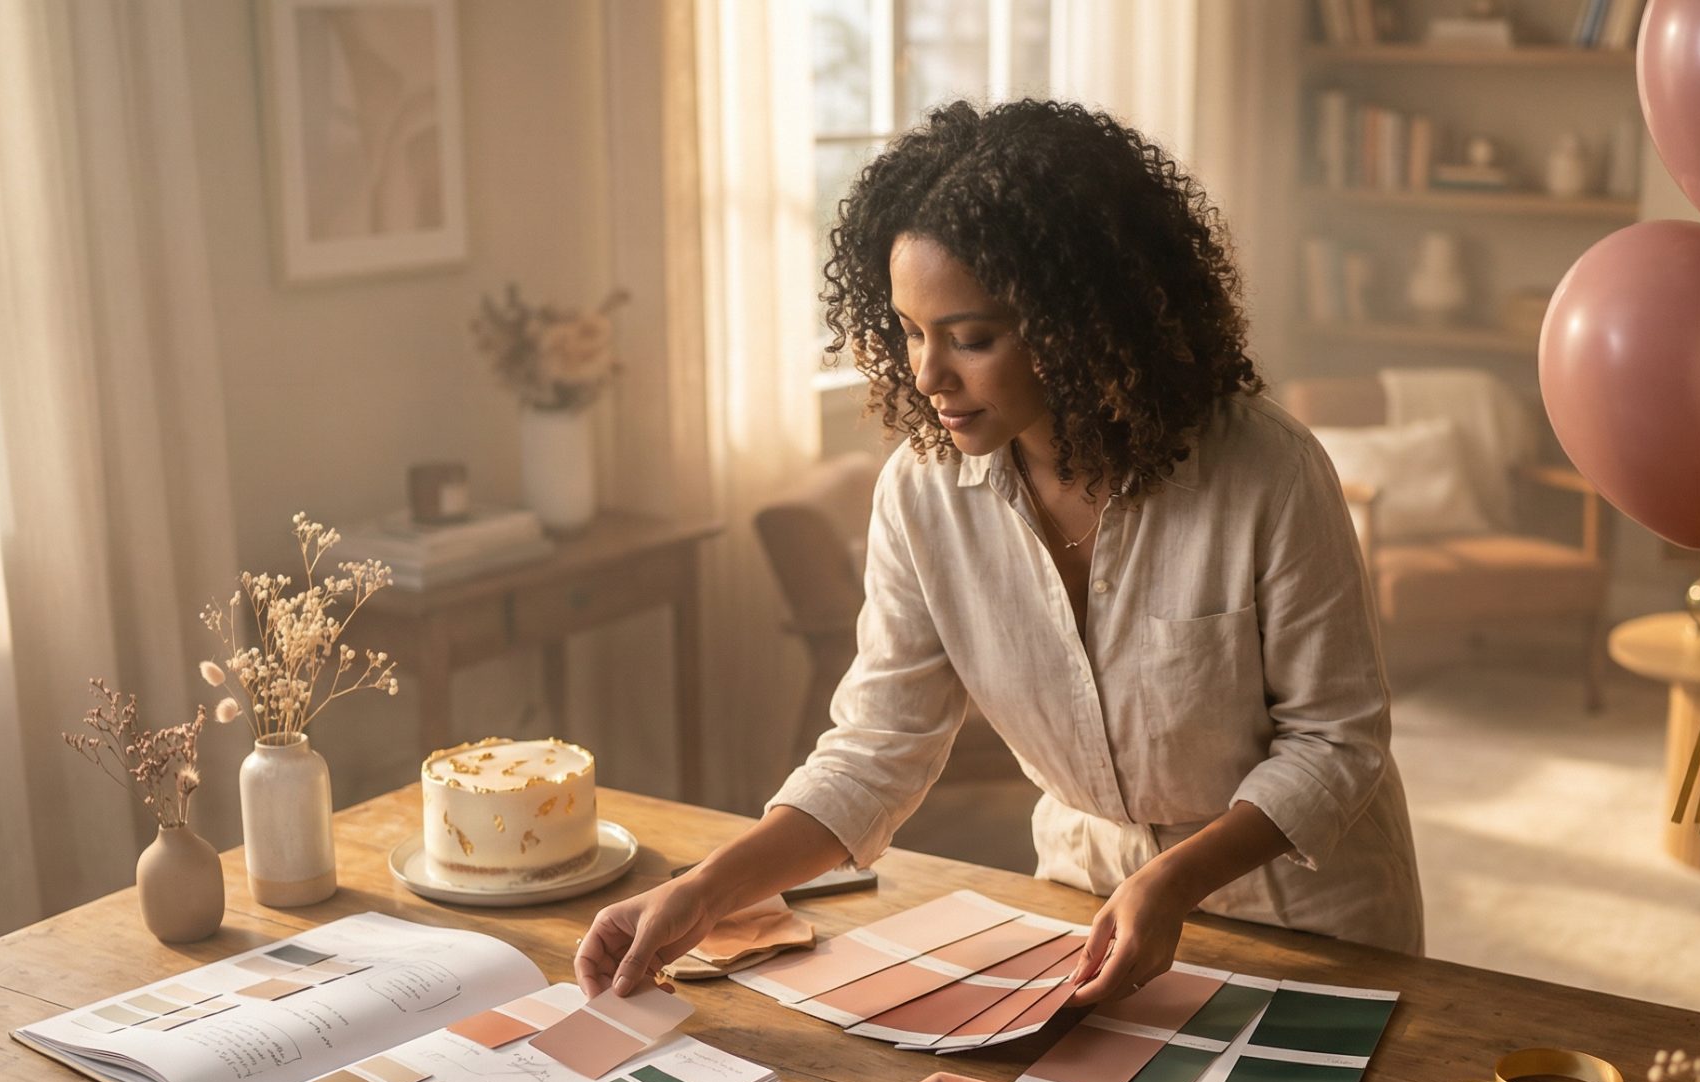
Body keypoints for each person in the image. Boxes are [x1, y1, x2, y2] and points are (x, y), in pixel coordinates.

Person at [579, 99, 1421, 1005]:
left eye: (971, 337)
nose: (928, 374)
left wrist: (1174, 877)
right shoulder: (921, 492)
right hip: (1082, 897)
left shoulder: (1267, 471)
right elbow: (876, 747)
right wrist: (704, 889)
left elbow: (1336, 741)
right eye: (909, 331)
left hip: (1307, 917)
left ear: (1077, 320)